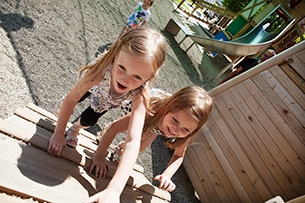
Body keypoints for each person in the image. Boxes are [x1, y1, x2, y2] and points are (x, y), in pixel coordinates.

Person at [48, 27, 167, 158]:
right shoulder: (100, 71)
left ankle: (75, 129)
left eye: (137, 77)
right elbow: (72, 99)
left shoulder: (141, 93)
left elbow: (134, 138)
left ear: (148, 78)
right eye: (121, 67)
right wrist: (58, 133)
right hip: (100, 84)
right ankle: (62, 108)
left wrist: (101, 156)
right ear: (115, 55)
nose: (125, 80)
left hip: (108, 100)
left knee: (89, 120)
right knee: (76, 98)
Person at [87, 86, 213, 198]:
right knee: (127, 133)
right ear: (169, 106)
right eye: (175, 120)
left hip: (160, 124)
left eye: (186, 129)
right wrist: (99, 156)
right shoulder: (149, 110)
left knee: (140, 147)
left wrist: (167, 175)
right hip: (145, 110)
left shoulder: (182, 128)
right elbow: (116, 128)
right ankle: (105, 130)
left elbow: (179, 155)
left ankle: (120, 148)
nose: (176, 131)